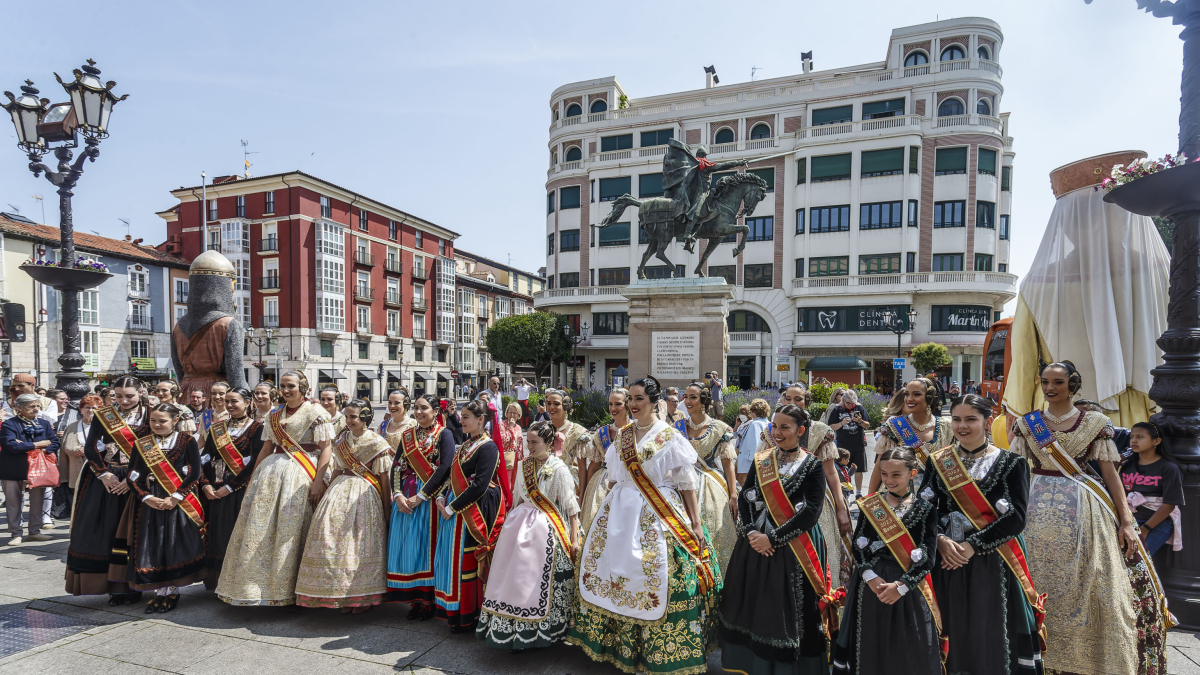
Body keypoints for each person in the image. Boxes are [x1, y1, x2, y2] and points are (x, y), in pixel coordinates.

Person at [1010, 362, 1168, 675]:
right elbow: (1015, 472)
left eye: (1057, 382)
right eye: (1045, 382)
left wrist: (1125, 521)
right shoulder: (1028, 424)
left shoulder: (1096, 422)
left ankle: (1087, 656)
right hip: (1034, 506)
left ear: (1073, 385)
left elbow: (1111, 476)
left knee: (1090, 579)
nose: (1050, 388)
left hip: (1084, 507)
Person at [568, 376, 717, 675]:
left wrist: (696, 523)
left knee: (662, 575)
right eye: (631, 399)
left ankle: (661, 651)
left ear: (653, 402)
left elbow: (686, 483)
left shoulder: (670, 437)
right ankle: (615, 645)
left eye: (639, 399)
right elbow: (613, 480)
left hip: (658, 510)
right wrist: (602, 515)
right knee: (609, 571)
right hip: (619, 510)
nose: (633, 405)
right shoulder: (622, 436)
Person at [927, 394, 1044, 674]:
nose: (962, 426)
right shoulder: (938, 461)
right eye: (956, 419)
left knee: (990, 624)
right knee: (953, 622)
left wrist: (972, 546)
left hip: (994, 560)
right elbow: (925, 509)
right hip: (947, 560)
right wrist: (940, 540)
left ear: (987, 421)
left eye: (970, 419)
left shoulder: (1012, 463)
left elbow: (1016, 518)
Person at [720, 404, 832, 673]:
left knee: (788, 607)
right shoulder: (762, 460)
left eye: (785, 427)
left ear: (800, 430)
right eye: (774, 426)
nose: (777, 432)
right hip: (755, 543)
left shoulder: (813, 466)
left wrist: (773, 539)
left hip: (793, 546)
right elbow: (747, 499)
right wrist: (750, 533)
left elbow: (811, 512)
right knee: (752, 603)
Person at [216, 371, 335, 606]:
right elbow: (266, 448)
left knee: (292, 529)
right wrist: (254, 475)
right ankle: (257, 586)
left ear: (303, 388)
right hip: (270, 474)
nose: (286, 390)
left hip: (303, 472)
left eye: (291, 385)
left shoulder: (317, 413)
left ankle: (296, 586)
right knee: (261, 529)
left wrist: (319, 482)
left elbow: (326, 448)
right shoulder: (273, 415)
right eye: (282, 385)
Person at [834, 446, 942, 674]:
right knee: (872, 639)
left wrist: (901, 586)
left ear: (912, 474)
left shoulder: (925, 509)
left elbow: (928, 555)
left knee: (910, 643)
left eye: (896, 475)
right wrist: (870, 576)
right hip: (874, 584)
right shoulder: (871, 505)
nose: (888, 480)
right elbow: (859, 544)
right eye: (884, 474)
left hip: (908, 586)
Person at [477, 420, 580, 651]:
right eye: (528, 442)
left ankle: (543, 627)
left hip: (548, 525)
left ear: (548, 442)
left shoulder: (560, 468)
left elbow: (571, 506)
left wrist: (574, 538)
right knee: (511, 575)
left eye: (535, 442)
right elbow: (517, 498)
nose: (530, 447)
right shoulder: (524, 466)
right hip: (520, 524)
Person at [295, 400, 391, 612]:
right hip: (339, 493)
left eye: (354, 417)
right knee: (336, 543)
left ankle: (362, 596)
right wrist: (327, 492)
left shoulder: (377, 443)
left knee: (359, 545)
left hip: (365, 495)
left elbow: (384, 479)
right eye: (347, 416)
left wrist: (387, 511)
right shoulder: (341, 441)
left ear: (365, 417)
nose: (349, 421)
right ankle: (341, 594)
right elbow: (337, 469)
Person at [425, 399, 506, 632]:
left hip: (474, 511)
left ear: (481, 420)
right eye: (461, 416)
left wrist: (451, 508)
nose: (461, 420)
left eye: (466, 417)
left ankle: (469, 615)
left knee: (467, 562)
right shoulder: (465, 445)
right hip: (454, 510)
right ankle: (454, 611)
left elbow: (480, 485)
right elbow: (452, 476)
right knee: (453, 560)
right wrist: (441, 496)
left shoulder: (488, 447)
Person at [65, 377, 147, 603]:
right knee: (106, 531)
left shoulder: (151, 416)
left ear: (140, 392)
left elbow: (156, 449)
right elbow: (91, 448)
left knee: (134, 533)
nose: (124, 400)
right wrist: (103, 473)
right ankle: (115, 588)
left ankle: (135, 584)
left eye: (129, 395)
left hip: (139, 480)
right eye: (118, 396)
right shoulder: (104, 416)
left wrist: (132, 480)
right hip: (106, 480)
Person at [125, 403, 207, 613]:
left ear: (175, 421)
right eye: (153, 420)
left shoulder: (187, 440)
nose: (157, 424)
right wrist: (146, 497)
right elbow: (133, 475)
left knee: (173, 543)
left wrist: (177, 496)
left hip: (178, 500)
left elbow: (194, 472)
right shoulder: (142, 443)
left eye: (162, 421)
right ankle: (158, 591)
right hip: (152, 502)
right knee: (153, 543)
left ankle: (172, 590)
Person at [387, 393, 456, 618]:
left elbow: (445, 467)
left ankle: (428, 600)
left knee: (426, 548)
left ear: (436, 411)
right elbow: (397, 466)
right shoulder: (407, 435)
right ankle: (413, 598)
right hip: (406, 496)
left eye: (423, 408)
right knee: (408, 546)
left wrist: (422, 495)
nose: (418, 412)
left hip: (428, 498)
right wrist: (397, 494)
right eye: (416, 407)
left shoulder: (444, 434)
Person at [199, 387, 261, 590]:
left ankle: (237, 584)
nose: (229, 405)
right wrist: (206, 484)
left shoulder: (257, 429)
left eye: (234, 401)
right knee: (217, 534)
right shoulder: (217, 429)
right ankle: (217, 582)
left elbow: (255, 463)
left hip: (239, 491)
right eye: (227, 401)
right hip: (215, 491)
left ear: (247, 402)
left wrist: (230, 487)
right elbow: (205, 458)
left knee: (236, 535)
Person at [679, 380, 739, 575]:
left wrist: (732, 494)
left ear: (703, 400)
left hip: (709, 484)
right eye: (686, 397)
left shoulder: (719, 428)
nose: (688, 401)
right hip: (680, 484)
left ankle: (715, 574)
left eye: (693, 397)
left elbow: (728, 464)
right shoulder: (676, 427)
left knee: (714, 528)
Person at [868, 378, 951, 494]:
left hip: (937, 498)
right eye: (907, 394)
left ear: (930, 397)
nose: (909, 399)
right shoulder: (895, 426)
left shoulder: (947, 427)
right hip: (896, 499)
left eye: (916, 394)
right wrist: (869, 501)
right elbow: (879, 467)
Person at [0, 393, 59, 545]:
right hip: (13, 469)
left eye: (37, 406)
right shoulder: (9, 424)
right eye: (31, 406)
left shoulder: (44, 424)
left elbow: (54, 442)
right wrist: (38, 445)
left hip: (38, 469)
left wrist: (43, 448)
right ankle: (16, 533)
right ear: (19, 407)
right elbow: (12, 445)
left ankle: (34, 532)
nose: (36, 409)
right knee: (13, 502)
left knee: (37, 501)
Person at [1121, 422, 1184, 556]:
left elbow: (1170, 505)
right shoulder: (1127, 466)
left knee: (1138, 557)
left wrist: (1146, 528)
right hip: (1130, 521)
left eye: (1140, 437)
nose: (1134, 441)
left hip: (1158, 523)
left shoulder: (1168, 468)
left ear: (1156, 441)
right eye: (1132, 437)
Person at [578, 388, 629, 532]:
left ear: (627, 405)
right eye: (610, 404)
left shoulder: (636, 430)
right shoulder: (602, 433)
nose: (613, 408)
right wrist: (587, 494)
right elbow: (594, 467)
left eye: (618, 404)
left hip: (628, 480)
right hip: (602, 483)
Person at [56, 394, 102, 521]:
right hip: (76, 471)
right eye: (87, 407)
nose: (90, 411)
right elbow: (65, 448)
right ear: (81, 409)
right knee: (78, 503)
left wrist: (88, 450)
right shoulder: (71, 427)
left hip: (98, 471)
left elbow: (109, 447)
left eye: (94, 408)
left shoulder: (105, 427)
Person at [829, 389, 872, 497]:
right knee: (842, 469)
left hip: (858, 444)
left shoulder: (859, 408)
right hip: (843, 444)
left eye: (852, 403)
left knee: (859, 469)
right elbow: (831, 426)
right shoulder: (837, 409)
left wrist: (860, 421)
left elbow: (867, 425)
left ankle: (858, 493)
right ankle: (844, 491)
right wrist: (841, 423)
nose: (849, 405)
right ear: (843, 401)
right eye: (847, 403)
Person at [544, 389, 589, 490]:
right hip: (544, 482)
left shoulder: (577, 431)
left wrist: (581, 497)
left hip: (567, 484)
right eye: (549, 403)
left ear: (566, 406)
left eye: (556, 404)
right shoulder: (542, 429)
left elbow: (582, 469)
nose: (551, 407)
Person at [735, 399, 770, 484]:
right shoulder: (766, 422)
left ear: (754, 411)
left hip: (749, 460)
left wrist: (753, 463)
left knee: (745, 481)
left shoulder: (755, 424)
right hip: (761, 458)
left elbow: (754, 443)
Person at [499, 402, 524, 484]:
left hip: (517, 459)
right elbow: (503, 440)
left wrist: (521, 460)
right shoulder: (502, 424)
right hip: (507, 458)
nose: (512, 415)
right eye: (510, 412)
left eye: (515, 413)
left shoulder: (518, 427)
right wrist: (510, 427)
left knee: (515, 485)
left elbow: (520, 445)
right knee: (507, 484)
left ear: (518, 415)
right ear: (507, 413)